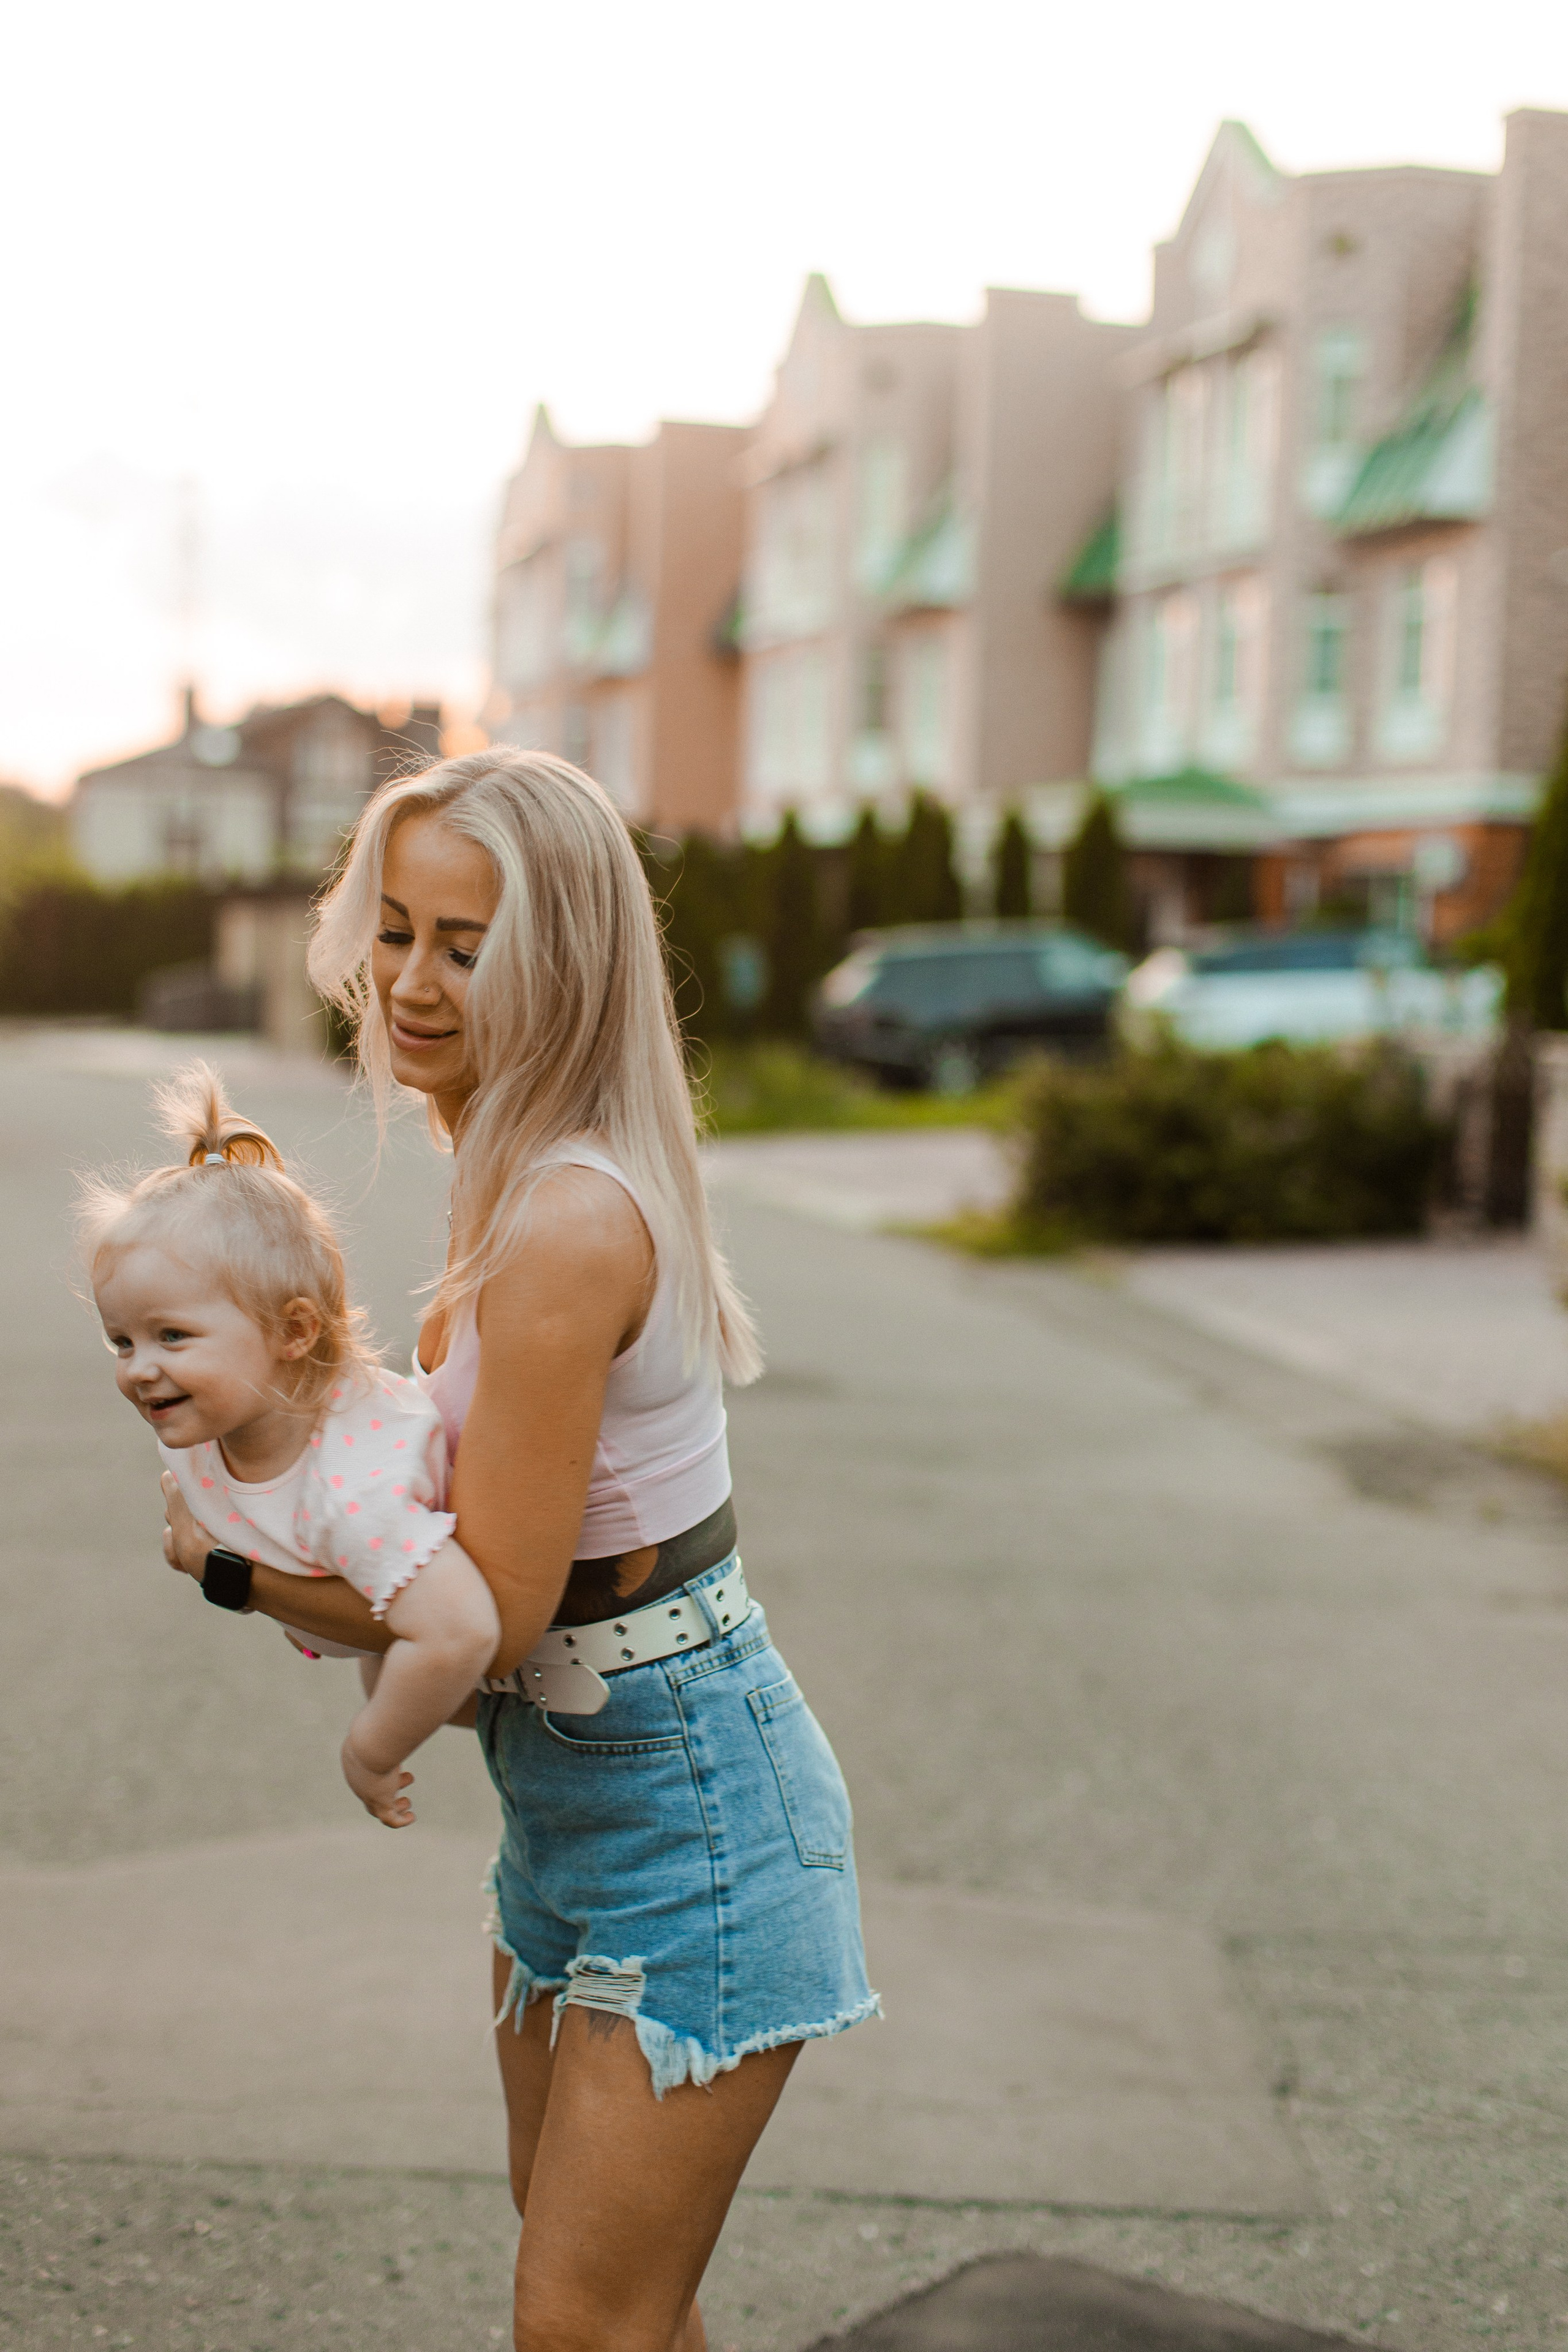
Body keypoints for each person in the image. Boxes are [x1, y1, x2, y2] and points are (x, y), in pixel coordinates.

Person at [159, 751, 876, 2352]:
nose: (410, 982)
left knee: (581, 2323)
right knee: (615, 2309)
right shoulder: (508, 1167)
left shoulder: (562, 1220)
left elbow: (481, 1608)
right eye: (395, 931)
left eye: (466, 947)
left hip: (689, 1814)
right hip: (577, 1801)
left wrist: (227, 1563)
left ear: (563, 962)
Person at [86, 1062, 499, 1829]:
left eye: (171, 1336)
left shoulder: (355, 1493)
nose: (140, 1369)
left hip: (500, 1645)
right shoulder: (217, 1411)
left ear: (294, 1332)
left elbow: (461, 1630)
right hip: (353, 1603)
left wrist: (371, 1751)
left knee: (422, 1687)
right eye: (123, 1341)